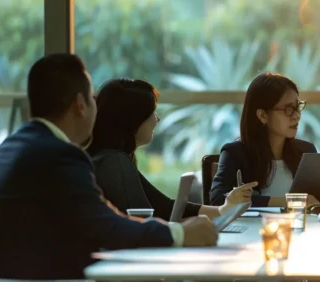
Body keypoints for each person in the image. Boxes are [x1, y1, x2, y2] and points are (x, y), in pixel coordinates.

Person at [0, 54, 218, 280]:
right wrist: (181, 234)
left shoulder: (6, 150)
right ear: (80, 105)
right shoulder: (60, 155)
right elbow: (107, 226)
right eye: (93, 99)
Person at [88, 78, 258, 221]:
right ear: (132, 121)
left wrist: (224, 210)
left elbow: (166, 207)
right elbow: (145, 222)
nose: (158, 119)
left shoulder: (116, 159)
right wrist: (186, 232)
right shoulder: (114, 163)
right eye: (152, 113)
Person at [209, 73, 320, 210]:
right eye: (288, 109)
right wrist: (293, 201)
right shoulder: (235, 153)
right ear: (262, 115)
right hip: (254, 235)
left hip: (302, 233)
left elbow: (318, 202)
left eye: (297, 106)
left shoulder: (305, 151)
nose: (296, 115)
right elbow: (217, 200)